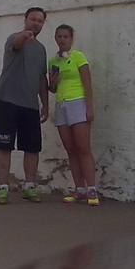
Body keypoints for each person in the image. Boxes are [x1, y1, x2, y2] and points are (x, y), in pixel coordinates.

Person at [0, 6, 50, 204]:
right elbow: (16, 45)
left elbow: (42, 78)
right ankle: (3, 187)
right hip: (8, 100)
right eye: (33, 19)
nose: (36, 23)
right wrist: (25, 36)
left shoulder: (41, 49)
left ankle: (30, 186)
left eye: (40, 21)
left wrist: (45, 104)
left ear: (43, 24)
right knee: (4, 145)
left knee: (32, 148)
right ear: (25, 19)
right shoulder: (14, 38)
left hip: (30, 105)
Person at [48, 24, 98, 206]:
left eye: (65, 37)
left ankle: (92, 188)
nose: (62, 40)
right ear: (55, 38)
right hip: (61, 105)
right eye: (59, 36)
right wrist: (52, 83)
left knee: (83, 147)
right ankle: (80, 189)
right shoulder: (53, 61)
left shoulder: (78, 57)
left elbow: (87, 83)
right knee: (71, 150)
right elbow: (52, 89)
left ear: (71, 39)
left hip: (78, 102)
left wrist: (89, 107)